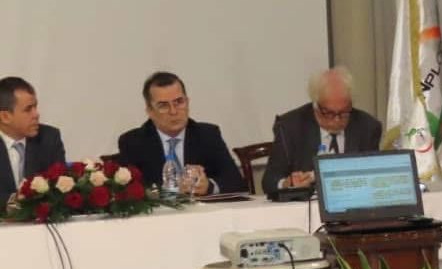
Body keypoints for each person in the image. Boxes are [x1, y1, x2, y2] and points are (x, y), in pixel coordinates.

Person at [117, 72, 245, 195]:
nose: (173, 111)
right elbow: (130, 192)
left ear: (187, 102)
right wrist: (171, 189)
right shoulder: (133, 142)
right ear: (149, 111)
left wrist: (209, 186)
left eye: (179, 102)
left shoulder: (208, 135)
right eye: (163, 106)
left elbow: (236, 182)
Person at [262, 67, 382, 194]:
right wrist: (288, 183)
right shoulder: (289, 127)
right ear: (315, 106)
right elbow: (269, 181)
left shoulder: (368, 127)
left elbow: (374, 178)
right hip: (305, 205)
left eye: (344, 113)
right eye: (329, 113)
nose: (337, 120)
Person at [0, 77, 66, 201]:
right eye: (28, 109)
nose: (36, 114)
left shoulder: (49, 138)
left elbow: (59, 190)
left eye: (35, 107)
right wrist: (12, 201)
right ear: (5, 117)